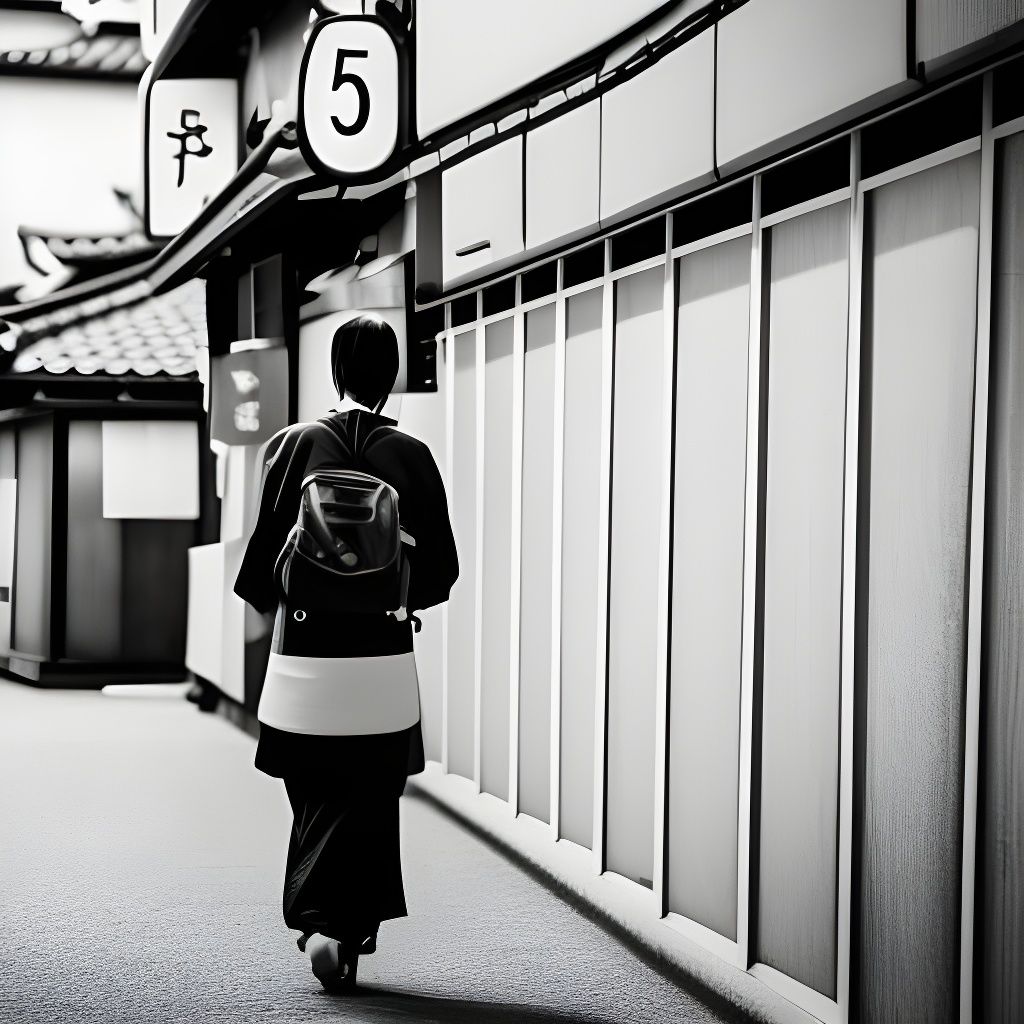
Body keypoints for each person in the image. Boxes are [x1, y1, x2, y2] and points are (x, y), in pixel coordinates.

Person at [233, 315, 458, 992]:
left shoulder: (291, 445)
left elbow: (257, 571)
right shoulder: (412, 456)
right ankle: (346, 926)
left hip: (304, 651)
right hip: (382, 656)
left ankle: (318, 916)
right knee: (370, 792)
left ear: (333, 373)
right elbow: (442, 573)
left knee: (315, 789)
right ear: (390, 377)